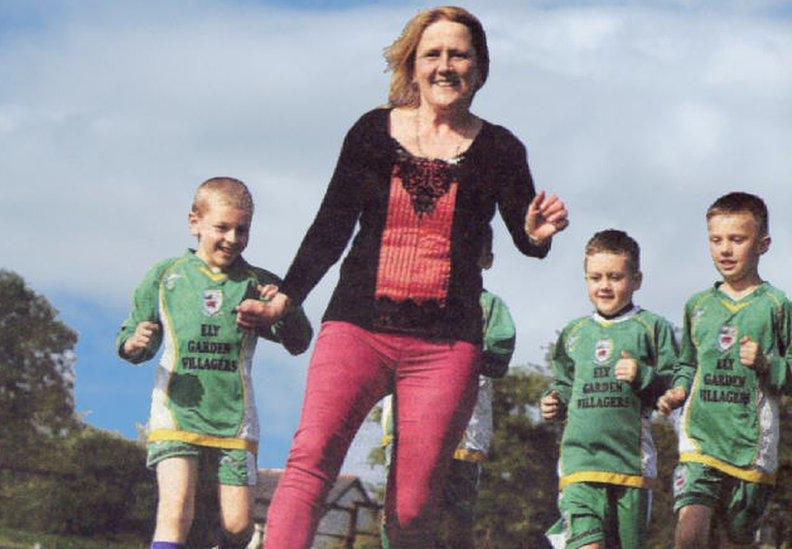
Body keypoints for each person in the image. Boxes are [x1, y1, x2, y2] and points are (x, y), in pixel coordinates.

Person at [247, 6, 569, 546]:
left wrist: (538, 233)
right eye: (433, 54)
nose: (446, 66)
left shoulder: (502, 149)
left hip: (445, 346)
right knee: (310, 460)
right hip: (356, 327)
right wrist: (288, 295)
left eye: (459, 55)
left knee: (415, 505)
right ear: (413, 65)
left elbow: (525, 238)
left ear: (480, 67)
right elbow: (332, 223)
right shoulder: (371, 131)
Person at [116, 177, 312, 549]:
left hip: (235, 418)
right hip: (176, 411)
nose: (232, 238)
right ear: (195, 223)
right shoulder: (165, 276)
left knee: (238, 526)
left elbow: (300, 342)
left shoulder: (259, 283)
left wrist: (283, 310)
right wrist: (134, 343)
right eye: (222, 227)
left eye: (242, 230)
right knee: (174, 511)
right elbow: (134, 339)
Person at [657, 192, 791, 547]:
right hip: (700, 439)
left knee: (738, 539)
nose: (725, 249)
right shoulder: (698, 305)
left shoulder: (776, 306)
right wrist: (678, 390)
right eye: (716, 240)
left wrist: (766, 364)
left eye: (737, 239)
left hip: (752, 444)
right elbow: (686, 363)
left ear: (763, 244)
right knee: (689, 529)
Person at [379, 226, 515, 548]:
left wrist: (456, 355)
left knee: (457, 513)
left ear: (487, 259)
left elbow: (498, 353)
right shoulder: (414, 296)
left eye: (471, 250)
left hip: (463, 427)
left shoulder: (490, 307)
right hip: (408, 422)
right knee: (398, 508)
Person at [540, 229, 677, 549]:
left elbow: (674, 381)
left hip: (630, 466)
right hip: (579, 465)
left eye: (615, 277)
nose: (604, 286)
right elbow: (564, 383)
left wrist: (643, 374)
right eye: (595, 277)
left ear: (637, 279)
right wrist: (553, 401)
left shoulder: (652, 328)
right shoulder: (574, 333)